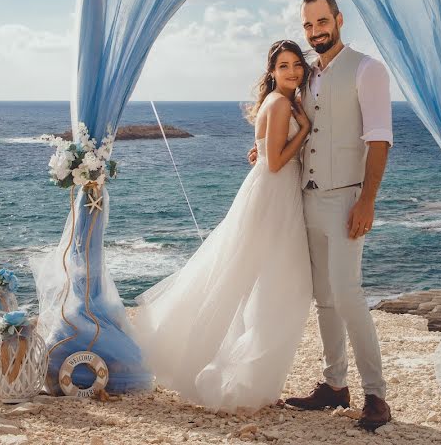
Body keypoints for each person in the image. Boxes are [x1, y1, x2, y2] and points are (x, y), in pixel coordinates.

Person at [132, 40, 313, 412]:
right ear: (272, 72)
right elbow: (277, 162)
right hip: (274, 194)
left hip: (270, 191)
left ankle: (245, 374)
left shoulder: (280, 101)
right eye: (284, 66)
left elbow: (263, 153)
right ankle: (230, 373)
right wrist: (304, 131)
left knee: (251, 282)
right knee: (272, 285)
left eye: (297, 64)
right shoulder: (280, 103)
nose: (292, 71)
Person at [261, 0, 394, 431]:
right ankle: (335, 385)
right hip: (307, 198)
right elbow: (294, 127)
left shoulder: (368, 69)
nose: (316, 31)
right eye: (308, 25)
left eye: (322, 21)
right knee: (325, 299)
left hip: (345, 199)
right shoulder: (307, 74)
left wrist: (367, 200)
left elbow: (379, 139)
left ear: (338, 19)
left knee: (348, 295)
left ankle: (376, 396)